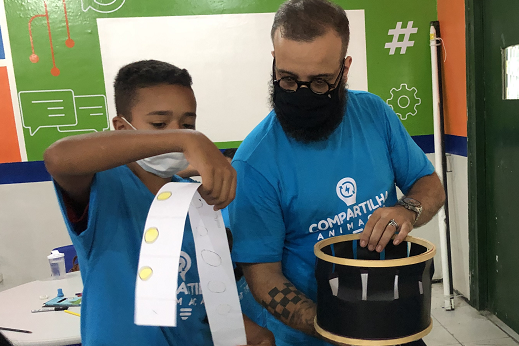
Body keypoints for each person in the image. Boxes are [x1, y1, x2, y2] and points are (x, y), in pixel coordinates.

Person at [228, 1, 446, 345]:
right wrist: (340, 323)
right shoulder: (254, 163)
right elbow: (264, 279)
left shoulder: (374, 114)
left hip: (391, 320)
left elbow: (430, 185)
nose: (302, 93)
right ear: (274, 60)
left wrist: (408, 210)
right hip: (308, 334)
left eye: (319, 82)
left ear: (344, 69)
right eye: (287, 79)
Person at [44, 60, 274, 346]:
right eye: (159, 124)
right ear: (121, 127)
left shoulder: (194, 199)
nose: (176, 136)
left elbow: (196, 298)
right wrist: (186, 138)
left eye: (188, 123)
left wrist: (246, 330)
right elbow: (57, 158)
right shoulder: (104, 186)